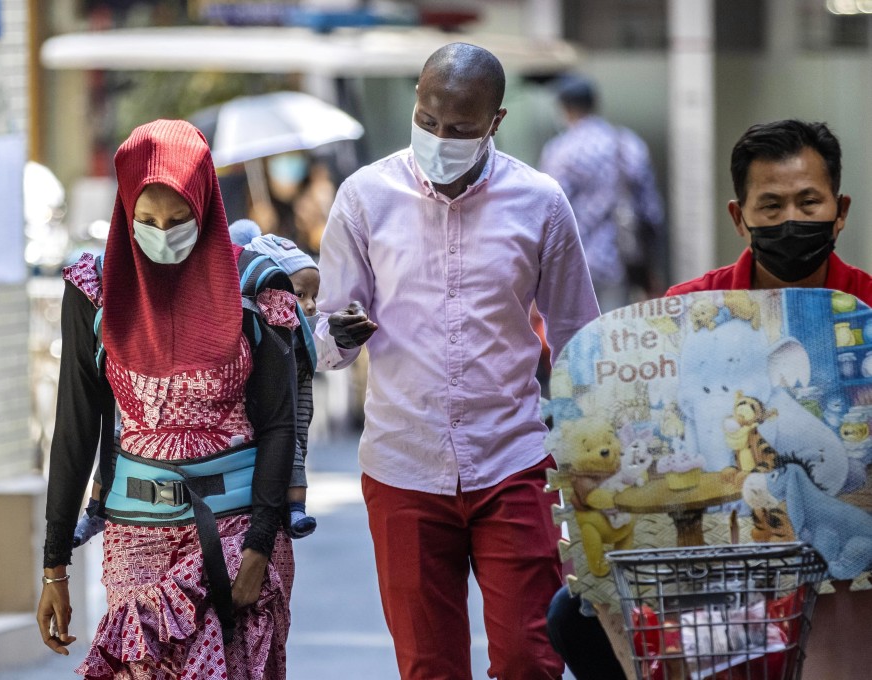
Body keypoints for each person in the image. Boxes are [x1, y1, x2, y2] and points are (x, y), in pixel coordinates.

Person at [313, 43, 600, 680]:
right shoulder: (363, 199)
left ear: (494, 122)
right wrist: (340, 333)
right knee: (428, 665)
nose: (440, 138)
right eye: (428, 121)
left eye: (461, 129)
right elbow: (326, 343)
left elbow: (583, 340)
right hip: (402, 466)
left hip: (514, 461)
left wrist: (593, 466)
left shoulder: (542, 203)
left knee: (532, 658)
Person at [547, 118, 872, 679]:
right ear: (739, 217)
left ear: (839, 211)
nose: (792, 220)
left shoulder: (865, 309)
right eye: (770, 206)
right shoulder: (685, 312)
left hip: (851, 560)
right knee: (570, 616)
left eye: (808, 202)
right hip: (727, 559)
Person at [37, 119, 299, 678]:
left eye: (179, 221)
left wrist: (258, 546)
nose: (163, 234)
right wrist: (54, 566)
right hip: (136, 539)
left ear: (205, 205)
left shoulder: (255, 287)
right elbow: (75, 431)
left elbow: (279, 424)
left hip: (240, 530)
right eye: (147, 221)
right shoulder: (94, 291)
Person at [539, 74, 666, 311]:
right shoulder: (628, 143)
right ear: (595, 103)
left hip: (575, 264)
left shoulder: (559, 152)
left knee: (579, 338)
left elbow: (548, 214)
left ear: (564, 109)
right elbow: (652, 211)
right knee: (615, 335)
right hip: (623, 259)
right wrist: (651, 263)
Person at [244, 231, 322, 538]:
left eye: (316, 296)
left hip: (297, 403)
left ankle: (296, 509)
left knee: (295, 443)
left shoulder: (304, 338)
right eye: (302, 295)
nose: (313, 306)